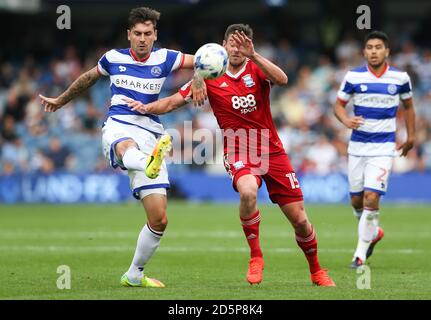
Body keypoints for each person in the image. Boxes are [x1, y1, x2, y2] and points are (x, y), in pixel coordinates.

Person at [125, 24, 336, 287]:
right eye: (232, 43)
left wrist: (255, 55)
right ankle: (256, 256)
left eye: (242, 44)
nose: (236, 48)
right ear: (223, 46)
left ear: (248, 45)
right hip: (238, 148)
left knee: (300, 220)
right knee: (248, 191)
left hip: (271, 149)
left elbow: (282, 80)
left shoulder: (257, 67)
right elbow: (170, 103)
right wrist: (144, 108)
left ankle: (316, 271)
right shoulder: (210, 74)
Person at [39, 7, 205, 288]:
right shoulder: (113, 58)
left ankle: (134, 275)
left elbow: (203, 58)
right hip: (119, 125)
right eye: (137, 34)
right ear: (129, 35)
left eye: (148, 34)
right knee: (124, 145)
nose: (142, 39)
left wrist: (199, 76)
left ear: (155, 35)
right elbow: (88, 78)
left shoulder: (166, 58)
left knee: (160, 219)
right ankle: (145, 163)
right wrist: (61, 100)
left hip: (151, 133)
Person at [334, 31, 416, 268]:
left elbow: (409, 107)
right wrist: (346, 120)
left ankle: (359, 255)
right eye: (369, 47)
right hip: (357, 147)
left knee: (371, 198)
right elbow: (338, 106)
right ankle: (374, 232)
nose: (373, 51)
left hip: (383, 148)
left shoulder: (400, 78)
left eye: (378, 47)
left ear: (387, 51)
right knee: (356, 201)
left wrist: (411, 137)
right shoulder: (353, 76)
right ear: (364, 51)